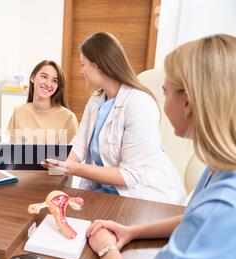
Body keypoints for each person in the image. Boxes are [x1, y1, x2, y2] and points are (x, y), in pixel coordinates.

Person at [87, 34, 236, 259]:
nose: (161, 100)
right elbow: (198, 219)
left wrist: (105, 248)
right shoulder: (221, 167)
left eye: (166, 92)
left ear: (188, 102)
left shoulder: (228, 200)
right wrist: (133, 231)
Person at [42, 32, 186, 205]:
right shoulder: (96, 100)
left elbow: (131, 176)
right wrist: (58, 163)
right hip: (107, 192)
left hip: (145, 198)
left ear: (98, 66)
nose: (81, 71)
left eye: (83, 65)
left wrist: (75, 168)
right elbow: (79, 146)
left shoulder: (139, 103)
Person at [7, 60, 78, 144]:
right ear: (33, 77)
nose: (48, 84)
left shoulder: (68, 118)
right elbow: (12, 150)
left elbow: (70, 154)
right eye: (44, 77)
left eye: (54, 81)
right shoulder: (18, 111)